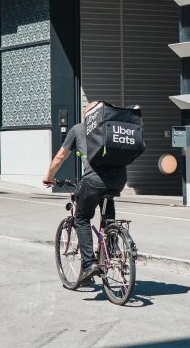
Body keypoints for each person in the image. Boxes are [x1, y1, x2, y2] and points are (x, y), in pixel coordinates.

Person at [43, 101, 128, 284]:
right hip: (119, 179)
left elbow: (60, 157)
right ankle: (112, 246)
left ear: (87, 115)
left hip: (93, 181)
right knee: (107, 213)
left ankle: (89, 264)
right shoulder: (112, 127)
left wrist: (49, 177)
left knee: (81, 218)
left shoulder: (78, 129)